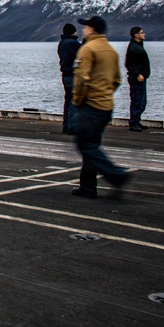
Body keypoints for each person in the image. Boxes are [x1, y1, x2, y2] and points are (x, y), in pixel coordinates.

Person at [71, 15, 131, 199]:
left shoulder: (88, 49)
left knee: (86, 145)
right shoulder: (110, 50)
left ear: (92, 29)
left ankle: (116, 175)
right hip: (106, 105)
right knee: (92, 145)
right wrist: (105, 94)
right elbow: (116, 80)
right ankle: (88, 187)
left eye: (86, 27)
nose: (83, 30)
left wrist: (78, 100)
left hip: (90, 105)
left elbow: (82, 79)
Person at [125, 26, 150, 132]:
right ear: (136, 35)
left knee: (142, 101)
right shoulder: (133, 48)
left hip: (142, 78)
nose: (144, 34)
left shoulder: (138, 46)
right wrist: (137, 75)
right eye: (142, 32)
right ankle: (133, 122)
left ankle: (137, 120)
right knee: (137, 100)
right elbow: (129, 64)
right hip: (137, 79)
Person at [57, 23, 81, 134]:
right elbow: (83, 53)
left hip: (65, 75)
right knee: (74, 101)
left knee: (67, 101)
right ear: (73, 32)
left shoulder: (61, 44)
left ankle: (65, 125)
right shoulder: (73, 43)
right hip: (73, 75)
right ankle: (73, 126)